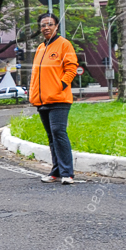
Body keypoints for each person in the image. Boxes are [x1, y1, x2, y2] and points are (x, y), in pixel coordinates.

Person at [28, 12, 78, 185]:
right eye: (43, 25)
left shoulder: (64, 45)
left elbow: (71, 68)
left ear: (56, 26)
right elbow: (36, 75)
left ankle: (67, 173)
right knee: (51, 136)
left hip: (59, 99)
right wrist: (33, 93)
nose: (46, 27)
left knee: (59, 132)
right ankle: (56, 170)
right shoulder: (41, 48)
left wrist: (61, 85)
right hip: (42, 101)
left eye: (50, 24)